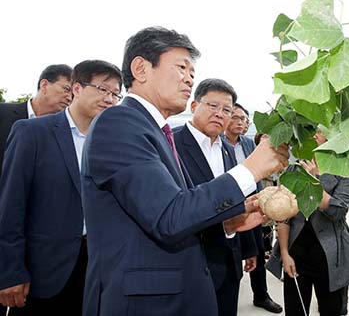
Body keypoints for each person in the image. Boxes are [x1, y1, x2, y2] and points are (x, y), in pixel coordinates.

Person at [80, 26, 289, 316]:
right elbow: (169, 216)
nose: (190, 78)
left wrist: (228, 224)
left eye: (193, 72)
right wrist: (251, 168)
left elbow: (180, 208)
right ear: (141, 68)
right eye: (181, 67)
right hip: (146, 305)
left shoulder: (157, 131)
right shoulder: (118, 124)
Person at [0, 60, 122, 315]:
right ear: (76, 88)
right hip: (44, 272)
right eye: (102, 89)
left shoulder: (112, 143)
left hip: (98, 271)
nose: (110, 99)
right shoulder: (32, 133)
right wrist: (10, 270)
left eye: (115, 94)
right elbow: (10, 204)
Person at [172, 78, 258, 316]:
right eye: (213, 106)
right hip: (191, 263)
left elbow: (241, 202)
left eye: (227, 110)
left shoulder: (228, 151)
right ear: (193, 106)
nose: (220, 114)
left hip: (229, 260)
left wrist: (248, 248)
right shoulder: (172, 145)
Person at [266, 131, 349, 316]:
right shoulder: (294, 168)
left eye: (320, 130)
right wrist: (285, 253)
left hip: (330, 257)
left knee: (331, 310)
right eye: (311, 128)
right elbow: (284, 217)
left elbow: (338, 212)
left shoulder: (344, 168)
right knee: (295, 310)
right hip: (296, 255)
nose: (314, 133)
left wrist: (314, 182)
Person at [224, 104, 283, 314]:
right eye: (236, 118)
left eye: (244, 119)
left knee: (257, 253)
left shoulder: (250, 144)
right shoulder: (218, 144)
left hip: (251, 208)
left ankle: (261, 295)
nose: (241, 122)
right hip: (227, 209)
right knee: (228, 259)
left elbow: (259, 176)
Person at [0, 64, 72, 178]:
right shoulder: (3, 113)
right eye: (66, 89)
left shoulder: (64, 132)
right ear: (44, 85)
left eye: (73, 94)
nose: (69, 98)